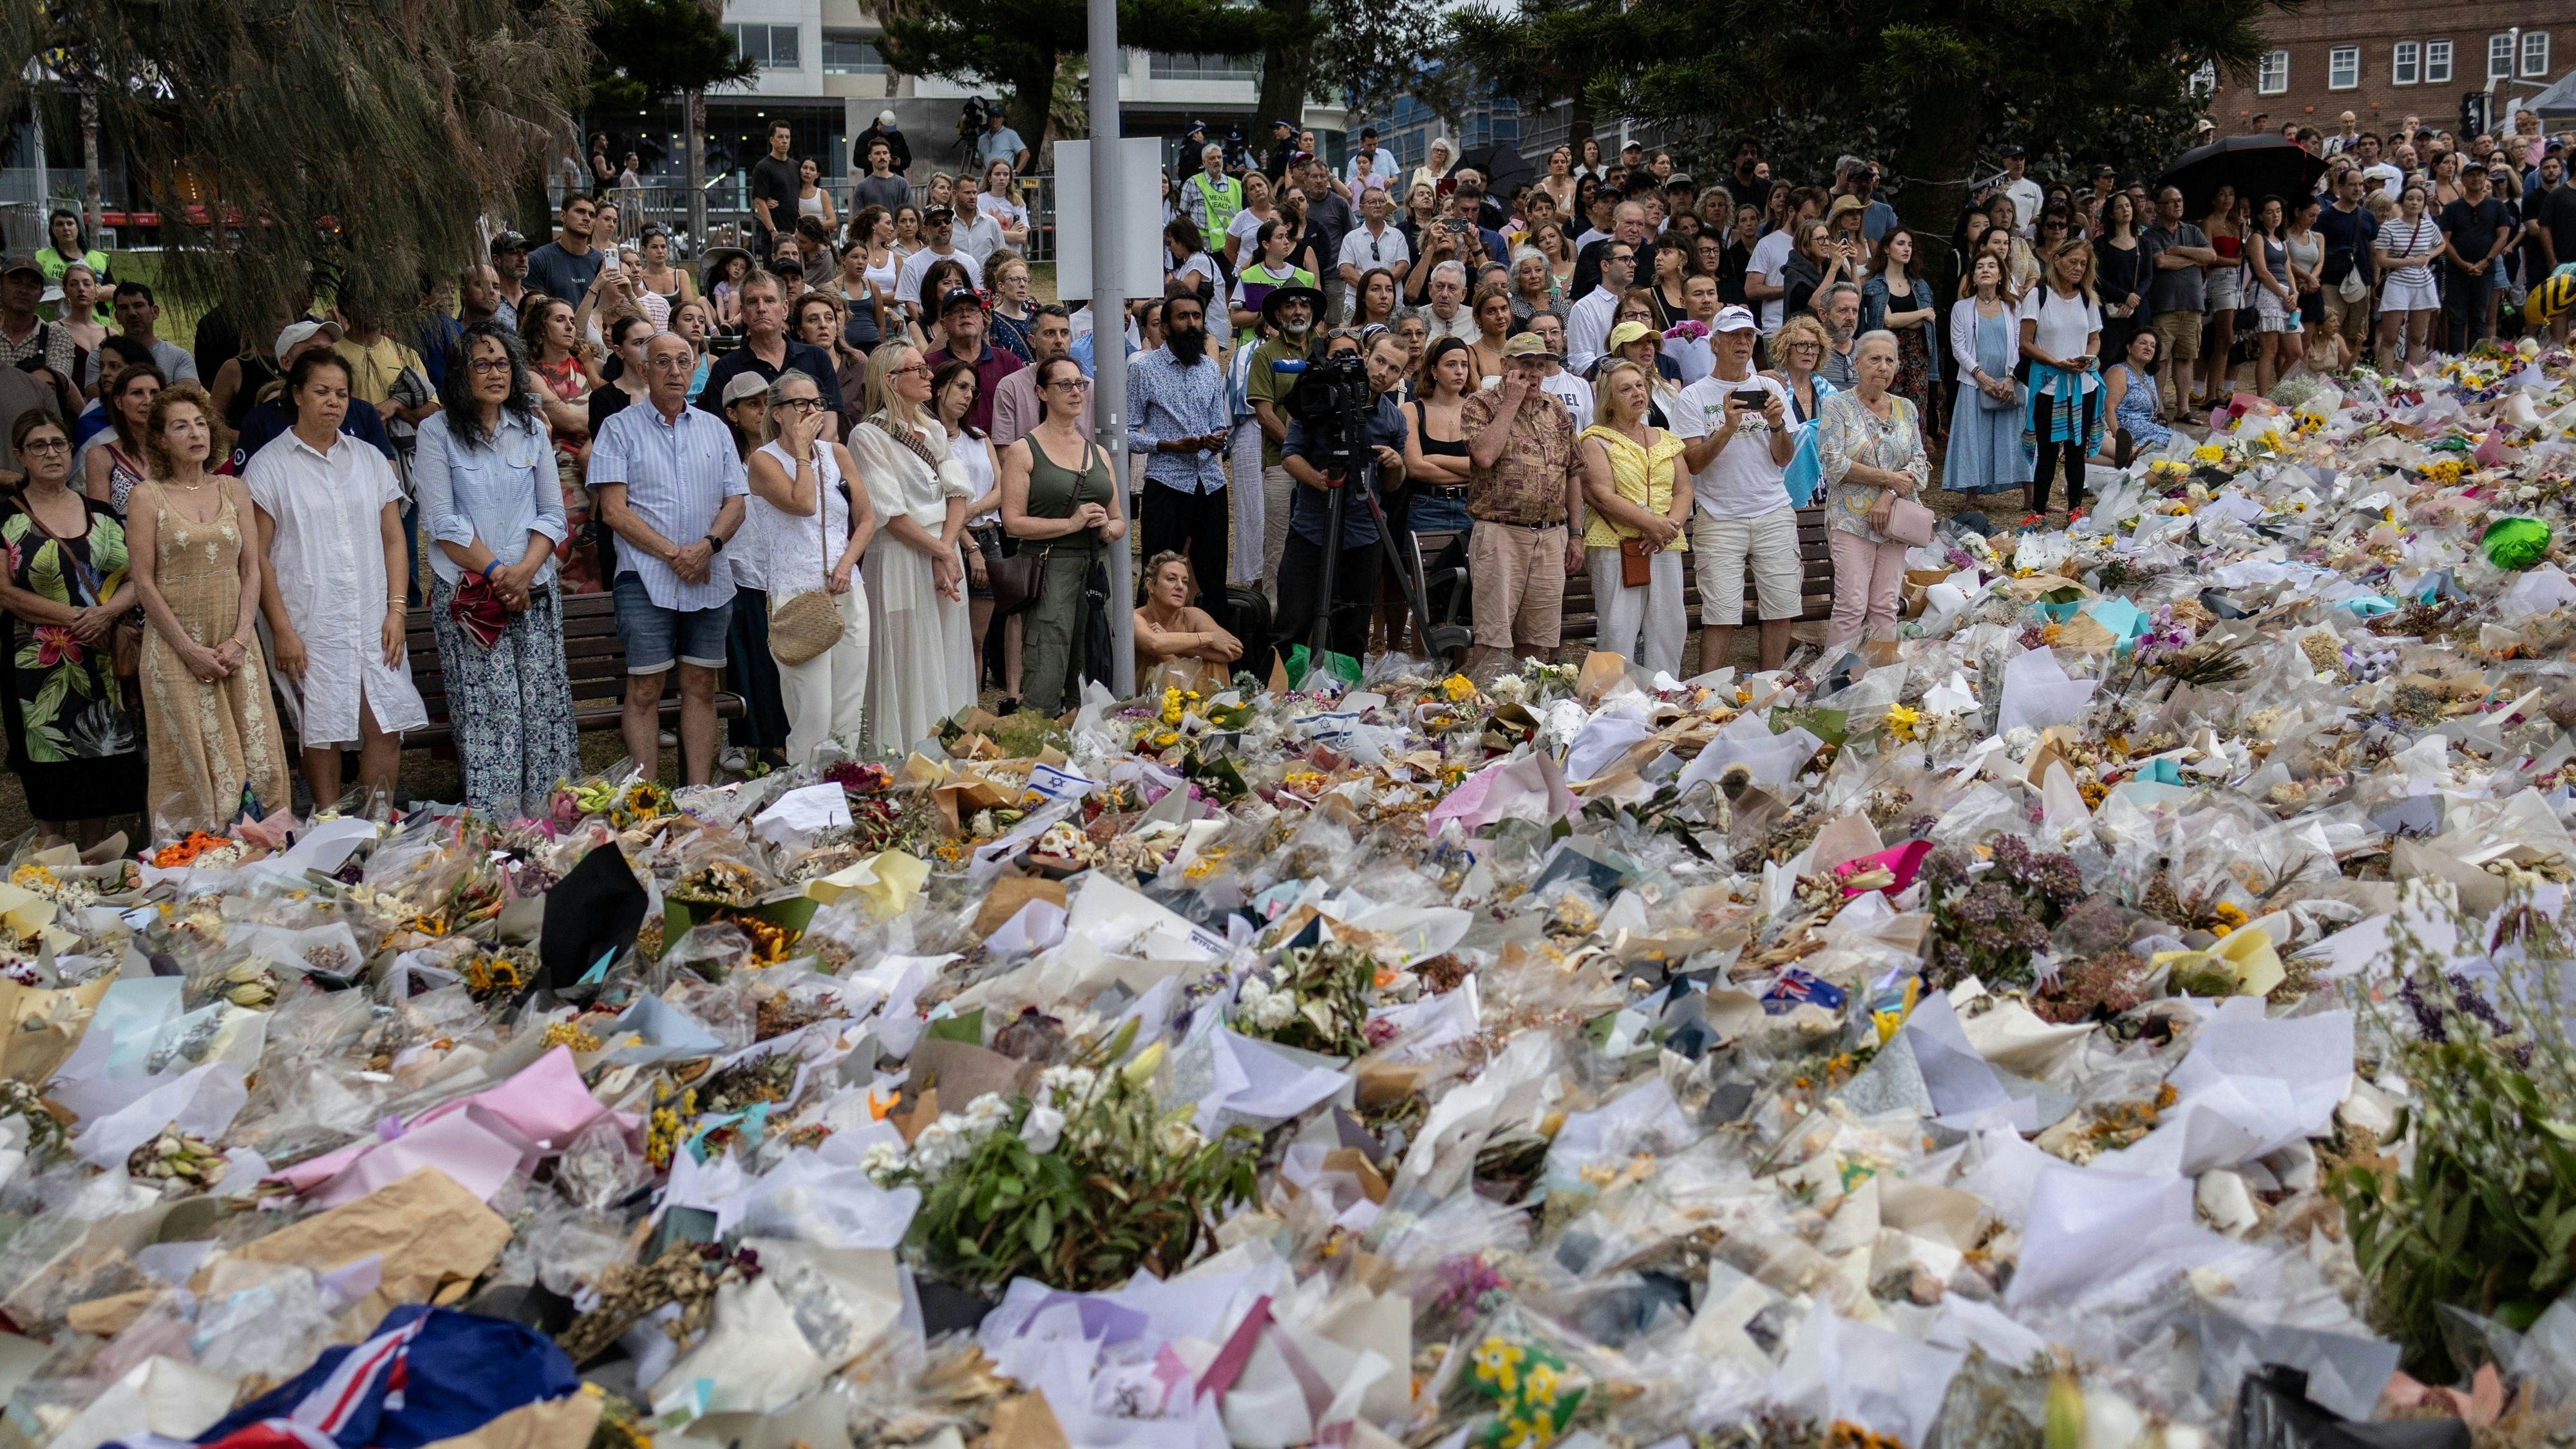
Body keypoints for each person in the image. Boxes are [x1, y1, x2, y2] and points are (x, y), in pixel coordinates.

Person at [409, 321, 580, 815]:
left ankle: (552, 827)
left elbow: (553, 514)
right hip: (472, 600)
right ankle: (499, 833)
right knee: (493, 715)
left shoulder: (530, 427)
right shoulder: (436, 432)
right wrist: (501, 576)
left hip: (534, 591)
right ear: (461, 374)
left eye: (503, 362)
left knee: (542, 711)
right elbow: (443, 522)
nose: (495, 373)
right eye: (481, 363)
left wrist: (523, 572)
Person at [245, 350, 427, 809]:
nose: (334, 402)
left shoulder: (369, 459)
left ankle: (378, 823)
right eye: (322, 392)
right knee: (320, 727)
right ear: (297, 395)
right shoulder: (269, 466)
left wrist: (397, 610)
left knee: (385, 720)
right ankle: (328, 824)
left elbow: (393, 540)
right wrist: (282, 629)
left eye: (342, 394)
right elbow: (257, 556)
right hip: (311, 619)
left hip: (372, 614)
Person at [128, 384, 290, 830]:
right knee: (194, 762)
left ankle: (263, 851)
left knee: (260, 758)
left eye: (200, 423)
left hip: (235, 641)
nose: (195, 433)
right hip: (175, 647)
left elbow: (252, 569)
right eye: (180, 426)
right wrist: (188, 650)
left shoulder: (234, 489)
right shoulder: (147, 497)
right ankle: (198, 863)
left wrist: (240, 640)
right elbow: (142, 581)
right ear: (161, 439)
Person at [589, 333, 746, 786]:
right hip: (644, 577)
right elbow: (614, 511)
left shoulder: (716, 429)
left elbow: (736, 502)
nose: (675, 371)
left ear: (695, 366)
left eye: (683, 361)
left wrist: (707, 547)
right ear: (643, 370)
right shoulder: (619, 428)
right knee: (644, 689)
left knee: (700, 687)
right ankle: (646, 798)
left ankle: (698, 793)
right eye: (663, 362)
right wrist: (676, 554)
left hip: (709, 575)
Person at [0, 411, 143, 838]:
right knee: (49, 764)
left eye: (59, 443)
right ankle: (55, 858)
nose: (51, 453)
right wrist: (77, 619)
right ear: (19, 456)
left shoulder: (101, 512)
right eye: (39, 445)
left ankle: (95, 854)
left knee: (102, 762)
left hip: (104, 660)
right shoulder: (5, 517)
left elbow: (139, 577)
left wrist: (106, 613)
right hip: (38, 667)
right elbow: (4, 592)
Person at [741, 368, 876, 765]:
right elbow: (803, 504)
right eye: (800, 403)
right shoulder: (763, 462)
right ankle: (804, 795)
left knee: (849, 707)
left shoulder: (839, 454)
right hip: (797, 593)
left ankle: (845, 789)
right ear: (778, 412)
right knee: (812, 711)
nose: (811, 410)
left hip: (847, 586)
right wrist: (802, 452)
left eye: (816, 402)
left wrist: (847, 565)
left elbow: (867, 518)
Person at [846, 345, 976, 748]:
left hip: (942, 550)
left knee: (949, 650)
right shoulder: (867, 436)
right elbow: (890, 514)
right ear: (890, 380)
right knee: (907, 658)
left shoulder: (934, 428)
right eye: (918, 369)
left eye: (927, 367)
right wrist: (942, 553)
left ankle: (951, 747)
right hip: (901, 558)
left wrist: (946, 549)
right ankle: (902, 753)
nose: (928, 375)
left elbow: (958, 494)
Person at [1674, 305, 1797, 673]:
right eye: (1733, 336)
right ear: (1715, 343)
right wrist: (1726, 429)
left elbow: (1784, 458)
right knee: (1720, 614)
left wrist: (1776, 424)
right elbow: (1692, 464)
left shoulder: (1769, 387)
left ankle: (1771, 688)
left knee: (1781, 607)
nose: (1743, 343)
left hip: (1773, 509)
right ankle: (1707, 694)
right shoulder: (1694, 396)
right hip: (1719, 515)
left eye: (1749, 336)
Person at [996, 354, 1122, 710]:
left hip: (1094, 573)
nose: (1075, 391)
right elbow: (1013, 522)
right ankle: (1039, 754)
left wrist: (1107, 531)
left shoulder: (1098, 453)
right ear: (1041, 392)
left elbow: (1119, 520)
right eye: (1063, 384)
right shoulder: (1024, 450)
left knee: (1090, 671)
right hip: (1048, 568)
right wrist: (1071, 524)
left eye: (1079, 384)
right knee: (1046, 672)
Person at [1278, 330, 1410, 659]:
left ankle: (1344, 699)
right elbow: (1289, 455)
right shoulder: (1317, 399)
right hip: (1311, 528)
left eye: (1394, 370)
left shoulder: (1393, 418)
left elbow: (1392, 486)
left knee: (1352, 631)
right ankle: (1279, 694)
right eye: (1380, 361)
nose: (1384, 373)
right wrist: (1317, 479)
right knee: (1292, 621)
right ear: (1365, 356)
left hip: (1363, 533)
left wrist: (1396, 466)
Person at [1461, 337, 1582, 681]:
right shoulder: (1479, 405)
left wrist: (1575, 534)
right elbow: (1484, 456)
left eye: (1540, 365)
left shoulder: (1556, 408)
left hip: (1550, 534)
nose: (1533, 373)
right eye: (1525, 364)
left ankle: (1524, 710)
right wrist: (1511, 404)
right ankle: (1486, 709)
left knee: (1537, 637)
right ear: (1504, 366)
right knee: (1494, 634)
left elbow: (1573, 472)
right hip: (1500, 532)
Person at [1578, 358, 1692, 677]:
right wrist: (1651, 525)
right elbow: (1602, 495)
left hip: (1664, 544)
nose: (1636, 393)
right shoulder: (1595, 439)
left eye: (1640, 386)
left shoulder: (1666, 438)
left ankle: (1663, 700)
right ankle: (1611, 704)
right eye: (1625, 389)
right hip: (1616, 545)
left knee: (1670, 625)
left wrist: (1668, 528)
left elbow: (1684, 491)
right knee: (1618, 628)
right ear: (1609, 401)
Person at [1817, 332, 1928, 656]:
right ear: (1857, 363)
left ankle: (1878, 682)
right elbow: (1833, 461)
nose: (1883, 367)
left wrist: (1889, 492)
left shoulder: (1906, 409)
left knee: (1885, 605)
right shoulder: (1837, 405)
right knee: (1851, 605)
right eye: (1874, 359)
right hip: (1850, 520)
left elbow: (1920, 463)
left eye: (1889, 360)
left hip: (1895, 521)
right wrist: (1890, 478)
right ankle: (1836, 682)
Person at [1128, 291, 1234, 599]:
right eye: (1182, 317)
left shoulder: (1210, 368)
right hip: (1166, 484)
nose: (1191, 323)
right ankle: (1152, 644)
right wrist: (1167, 445)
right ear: (1165, 328)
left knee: (1213, 575)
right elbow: (1127, 432)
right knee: (1157, 573)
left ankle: (1209, 641)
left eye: (1196, 317)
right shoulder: (1144, 369)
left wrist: (1216, 440)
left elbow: (1217, 423)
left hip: (1211, 484)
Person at [2017, 240, 2105, 518]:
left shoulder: (2088, 297)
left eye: (2083, 264)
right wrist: (2055, 362)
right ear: (2057, 260)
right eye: (2073, 262)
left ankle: (2075, 509)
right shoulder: (2038, 296)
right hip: (2050, 383)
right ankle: (2038, 510)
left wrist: (2087, 359)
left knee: (2077, 449)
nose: (2079, 268)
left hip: (2082, 383)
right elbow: (2025, 343)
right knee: (2049, 451)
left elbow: (2094, 338)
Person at [1245, 284, 1323, 594]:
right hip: (1281, 463)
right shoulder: (1266, 354)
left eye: (1304, 305)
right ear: (1277, 316)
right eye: (1289, 306)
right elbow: (1264, 415)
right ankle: (1275, 624)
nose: (1298, 311)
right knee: (1278, 546)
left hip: (1324, 465)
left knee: (1323, 544)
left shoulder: (1325, 348)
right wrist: (1297, 448)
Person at [1946, 252, 2027, 498]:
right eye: (1979, 267)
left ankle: (2031, 496)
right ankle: (1972, 495)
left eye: (1992, 266)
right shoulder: (1961, 307)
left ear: (2001, 274)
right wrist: (1981, 376)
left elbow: (2020, 343)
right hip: (1974, 382)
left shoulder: (2014, 305)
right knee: (1973, 438)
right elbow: (1958, 348)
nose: (1985, 270)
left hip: (2009, 382)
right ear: (1972, 276)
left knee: (2018, 435)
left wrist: (2011, 378)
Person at [2141, 187, 2216, 417]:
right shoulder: (2151, 235)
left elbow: (2211, 256)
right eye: (2172, 202)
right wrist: (2193, 259)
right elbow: (2161, 262)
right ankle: (2160, 407)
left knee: (2186, 357)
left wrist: (2180, 251)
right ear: (2160, 207)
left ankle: (2183, 408)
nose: (2178, 205)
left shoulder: (2192, 231)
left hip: (2192, 304)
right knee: (2160, 359)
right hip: (2164, 306)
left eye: (2180, 201)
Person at [1861, 228, 1942, 425]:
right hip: (1888, 356)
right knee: (1886, 416)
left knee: (1915, 418)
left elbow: (1929, 319)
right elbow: (1888, 321)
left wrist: (1913, 318)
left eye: (1910, 245)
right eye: (1901, 244)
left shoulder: (1920, 286)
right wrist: (1921, 314)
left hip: (1917, 360)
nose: (1907, 249)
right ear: (1887, 249)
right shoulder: (1875, 285)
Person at [922, 285, 1025, 438]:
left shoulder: (1008, 361)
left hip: (1001, 450)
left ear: (983, 319)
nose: (965, 315)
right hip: (948, 449)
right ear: (944, 325)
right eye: (956, 311)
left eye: (972, 310)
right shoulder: (930, 365)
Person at [1133, 551, 1242, 685]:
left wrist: (1180, 645)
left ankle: (1211, 704)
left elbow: (1233, 651)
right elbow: (1154, 644)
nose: (1180, 587)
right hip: (1146, 700)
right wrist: (1209, 638)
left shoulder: (1193, 615)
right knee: (1158, 655)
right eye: (1171, 579)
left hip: (1193, 697)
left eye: (1185, 582)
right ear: (1150, 585)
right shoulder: (1136, 618)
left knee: (1216, 662)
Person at [2439, 166, 2515, 350]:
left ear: (2485, 178)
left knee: (2479, 318)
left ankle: (2475, 363)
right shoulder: (2451, 209)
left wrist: (2486, 262)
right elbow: (2444, 240)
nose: (2476, 179)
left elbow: (2503, 236)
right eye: (2471, 175)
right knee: (2457, 319)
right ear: (2463, 180)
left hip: (2485, 271)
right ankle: (2456, 362)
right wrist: (2462, 264)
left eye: (2480, 175)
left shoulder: (2497, 206)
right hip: (2456, 271)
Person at [82, 281, 198, 390]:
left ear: (155, 312)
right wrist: (167, 389)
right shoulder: (100, 356)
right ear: (117, 317)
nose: (132, 313)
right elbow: (98, 398)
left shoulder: (179, 357)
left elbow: (188, 398)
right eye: (124, 308)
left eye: (138, 305)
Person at [2375, 184, 2443, 367]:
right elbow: (2382, 260)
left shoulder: (2429, 226)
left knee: (2416, 337)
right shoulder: (2389, 228)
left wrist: (2429, 256)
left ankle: (2413, 381)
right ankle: (2384, 382)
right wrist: (2412, 261)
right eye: (2410, 199)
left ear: (2424, 204)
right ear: (2402, 202)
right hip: (2397, 283)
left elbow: (2441, 244)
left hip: (2423, 283)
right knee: (2390, 337)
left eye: (2419, 200)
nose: (2414, 203)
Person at [2317, 169, 2380, 364]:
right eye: (2353, 184)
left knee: (2356, 332)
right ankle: (2329, 371)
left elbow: (2374, 251)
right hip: (2332, 282)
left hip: (2361, 282)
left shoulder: (2368, 216)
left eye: (2361, 185)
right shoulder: (2325, 216)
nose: (2358, 189)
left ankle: (2348, 372)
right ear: (2341, 186)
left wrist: (2374, 281)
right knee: (2331, 329)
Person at [2247, 195, 2308, 390]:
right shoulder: (2257, 237)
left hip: (2286, 294)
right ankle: (2263, 395)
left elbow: (2288, 268)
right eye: (2270, 211)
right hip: (2267, 293)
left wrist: (2294, 293)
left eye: (2279, 210)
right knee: (2269, 351)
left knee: (2296, 352)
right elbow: (2262, 272)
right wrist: (2284, 295)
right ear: (2261, 216)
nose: (2275, 215)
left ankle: (2281, 392)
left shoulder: (2281, 238)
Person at [84, 363, 160, 513]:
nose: (148, 401)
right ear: (119, 402)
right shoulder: (101, 456)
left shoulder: (176, 450)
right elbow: (103, 521)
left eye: (155, 393)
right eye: (137, 393)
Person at [2090, 194, 2151, 366]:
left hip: (2138, 310)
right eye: (2119, 207)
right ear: (2111, 214)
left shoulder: (2144, 243)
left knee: (2139, 358)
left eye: (2128, 206)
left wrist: (2133, 299)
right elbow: (2097, 278)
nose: (2125, 210)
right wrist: (2125, 297)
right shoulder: (2100, 243)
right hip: (2110, 310)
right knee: (2109, 357)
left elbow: (2148, 277)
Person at [2094, 327, 2170, 464]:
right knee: (2172, 443)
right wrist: (2117, 440)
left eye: (2153, 346)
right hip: (2127, 433)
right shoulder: (2119, 372)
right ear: (2129, 347)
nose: (2148, 348)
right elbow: (2108, 408)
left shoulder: (2147, 374)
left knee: (2177, 443)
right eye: (2143, 343)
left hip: (2147, 430)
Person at [1564, 241, 1635, 375]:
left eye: (1633, 259)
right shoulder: (1584, 308)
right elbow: (1581, 361)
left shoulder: (1637, 303)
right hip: (1604, 384)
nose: (1633, 264)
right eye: (1625, 259)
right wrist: (1619, 375)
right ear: (1605, 265)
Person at [524, 194, 605, 307]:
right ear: (563, 216)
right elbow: (534, 311)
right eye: (580, 211)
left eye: (592, 215)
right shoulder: (538, 259)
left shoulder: (602, 261)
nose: (587, 218)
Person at [748, 121, 803, 256]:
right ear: (772, 140)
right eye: (780, 137)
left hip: (795, 234)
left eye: (787, 137)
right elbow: (760, 202)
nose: (785, 141)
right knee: (774, 276)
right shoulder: (763, 167)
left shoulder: (796, 166)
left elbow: (799, 195)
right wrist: (773, 232)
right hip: (774, 236)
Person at [53, 261, 104, 357]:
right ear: (65, 291)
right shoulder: (53, 329)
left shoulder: (110, 334)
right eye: (73, 284)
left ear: (96, 289)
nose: (81, 288)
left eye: (87, 284)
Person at [976, 109, 1030, 173]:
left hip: (1004, 180)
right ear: (989, 119)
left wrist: (1016, 172)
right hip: (988, 180)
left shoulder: (1010, 134)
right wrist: (969, 153)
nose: (995, 119)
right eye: (992, 117)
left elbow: (1026, 154)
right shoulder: (982, 138)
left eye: (997, 117)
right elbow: (979, 163)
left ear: (1002, 119)